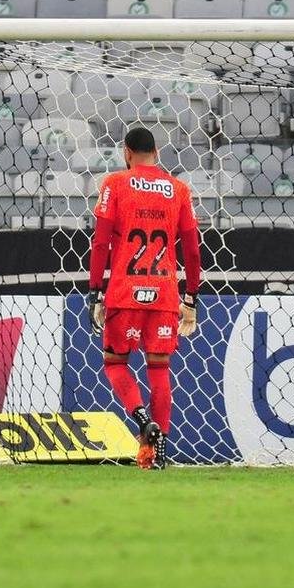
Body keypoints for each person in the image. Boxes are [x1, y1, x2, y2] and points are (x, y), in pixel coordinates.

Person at [88, 127, 202, 470]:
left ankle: (141, 421)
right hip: (165, 292)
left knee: (115, 363)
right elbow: (193, 251)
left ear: (126, 152)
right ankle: (157, 452)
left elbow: (101, 243)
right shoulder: (179, 189)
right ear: (158, 152)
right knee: (159, 369)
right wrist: (191, 298)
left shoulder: (115, 184)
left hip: (124, 292)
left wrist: (95, 291)